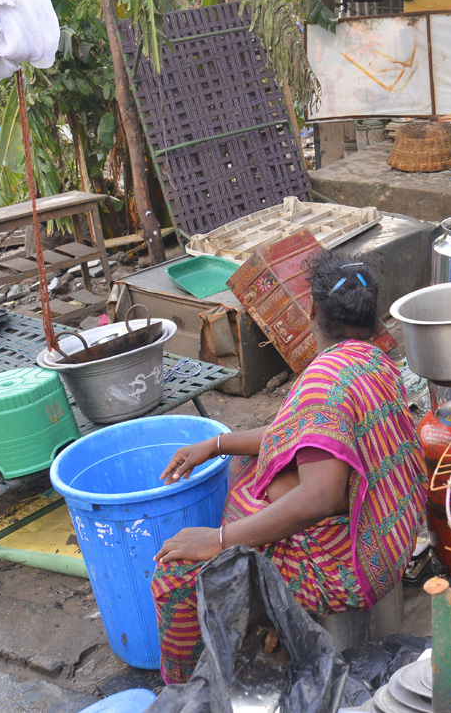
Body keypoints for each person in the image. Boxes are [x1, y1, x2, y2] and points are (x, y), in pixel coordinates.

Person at [151, 253, 427, 684]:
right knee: (252, 465)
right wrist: (215, 444)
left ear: (313, 310)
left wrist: (220, 541)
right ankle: (255, 614)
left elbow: (321, 496)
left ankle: (186, 689)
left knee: (174, 574)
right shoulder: (375, 361)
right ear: (372, 318)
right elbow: (290, 433)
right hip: (395, 531)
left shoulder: (324, 382)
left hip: (353, 569)